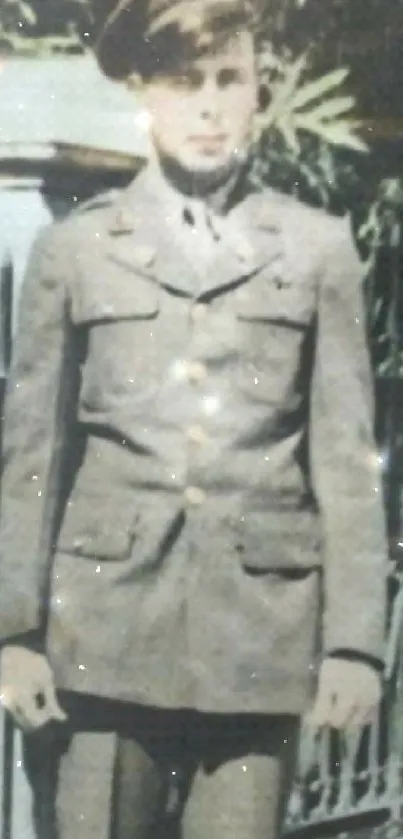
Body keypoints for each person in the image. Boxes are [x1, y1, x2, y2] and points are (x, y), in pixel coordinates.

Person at [0, 1, 388, 838]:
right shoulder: (77, 250)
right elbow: (32, 456)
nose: (209, 107)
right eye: (185, 84)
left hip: (257, 640)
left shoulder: (315, 249)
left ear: (257, 94)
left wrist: (355, 645)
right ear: (146, 96)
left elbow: (344, 458)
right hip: (99, 638)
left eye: (228, 81)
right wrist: (14, 630)